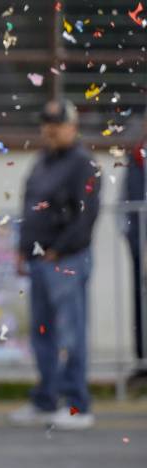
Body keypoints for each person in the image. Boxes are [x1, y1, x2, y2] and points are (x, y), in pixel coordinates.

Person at [10, 99, 100, 431]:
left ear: (72, 127)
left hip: (66, 260)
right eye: (46, 123)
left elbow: (86, 215)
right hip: (39, 259)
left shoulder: (82, 164)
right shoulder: (42, 161)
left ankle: (78, 404)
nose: (49, 129)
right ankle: (46, 399)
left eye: (57, 123)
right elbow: (30, 205)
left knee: (71, 335)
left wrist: (58, 250)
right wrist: (22, 249)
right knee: (42, 334)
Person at [121, 113, 147, 379]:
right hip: (139, 244)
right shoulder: (136, 156)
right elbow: (124, 201)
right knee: (139, 303)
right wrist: (129, 235)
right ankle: (142, 360)